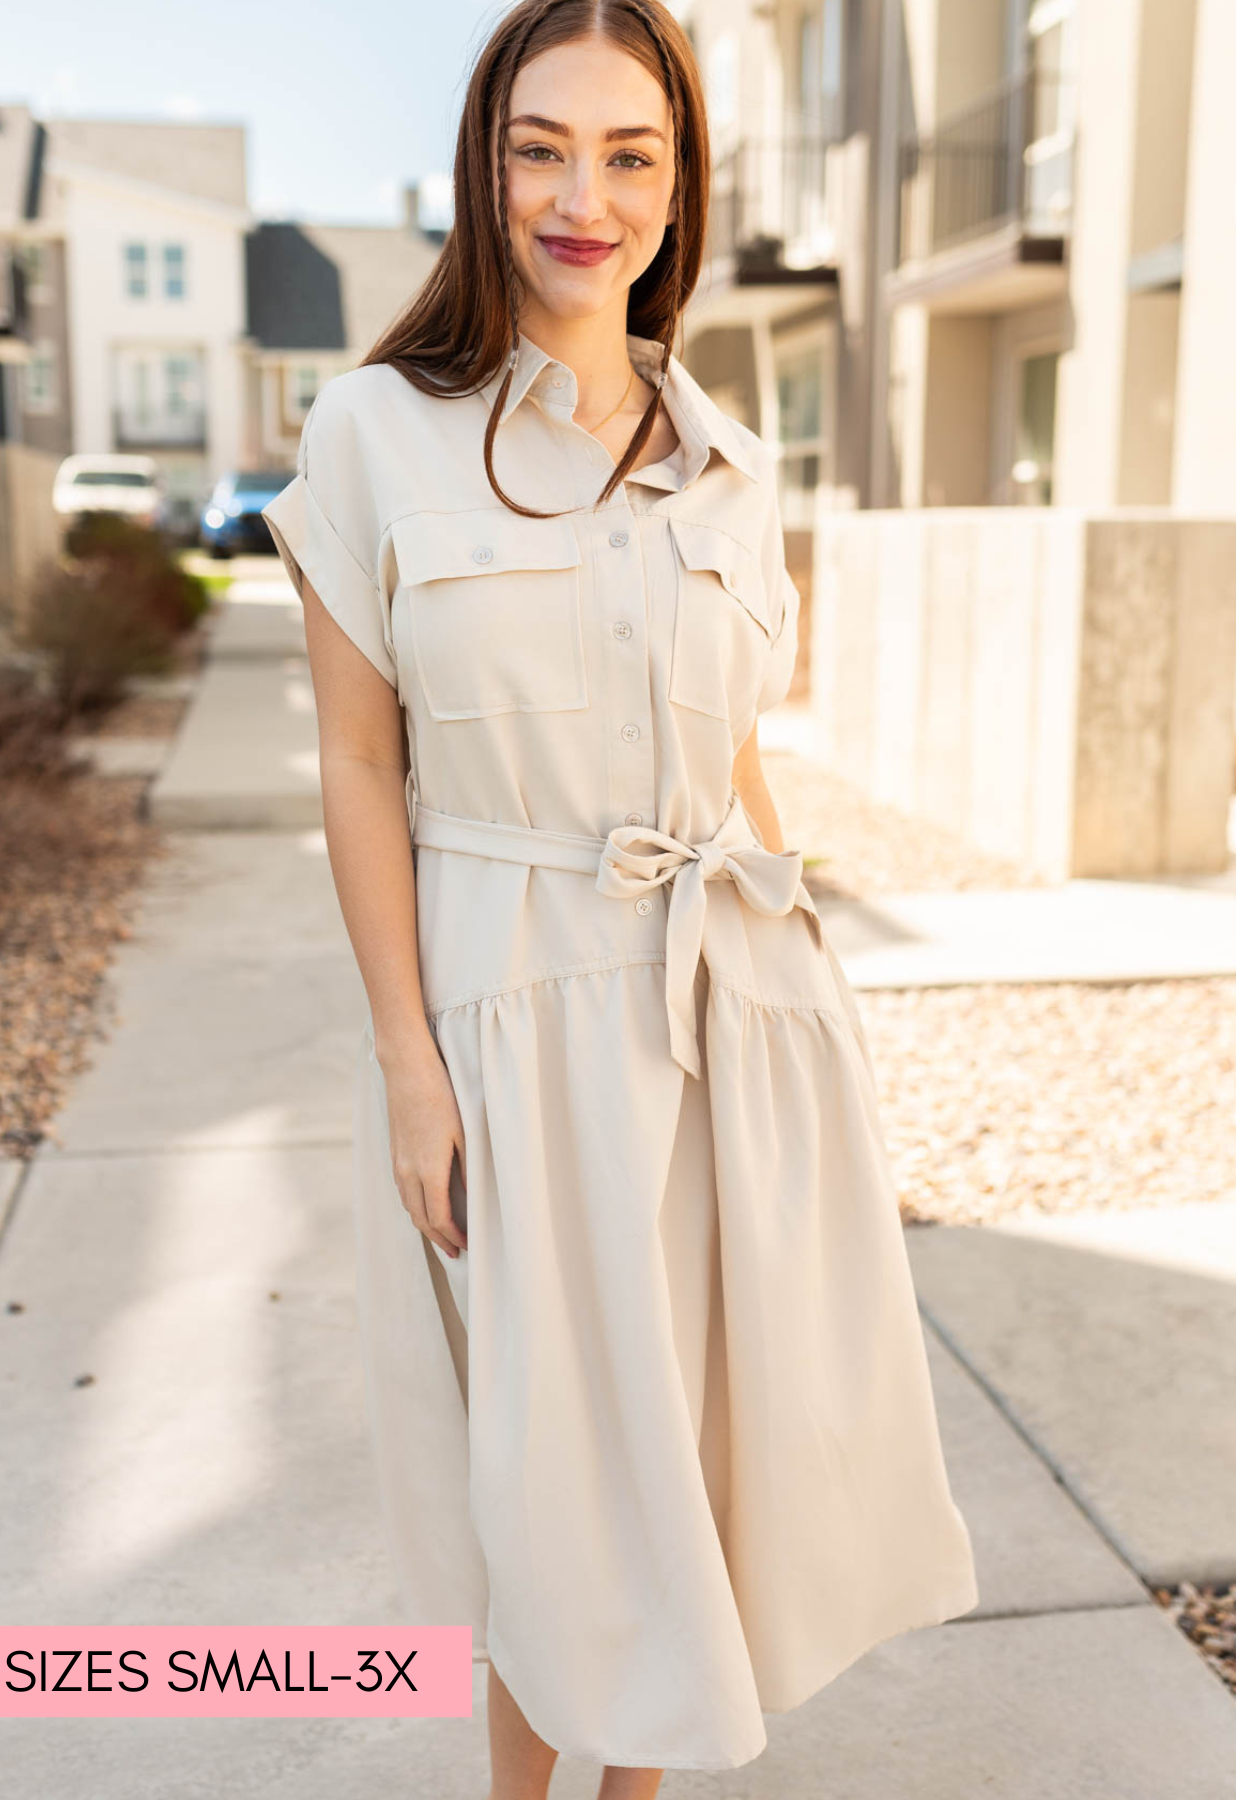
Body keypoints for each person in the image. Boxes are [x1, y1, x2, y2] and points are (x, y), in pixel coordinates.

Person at [263, 2, 979, 1795]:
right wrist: (407, 1062)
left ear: (679, 185)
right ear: (485, 168)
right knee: (554, 1501)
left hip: (723, 1010)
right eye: (542, 147)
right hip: (507, 1012)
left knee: (689, 1490)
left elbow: (734, 758)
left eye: (629, 152)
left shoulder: (732, 465)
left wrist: (806, 975)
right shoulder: (375, 435)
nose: (584, 195)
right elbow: (360, 768)